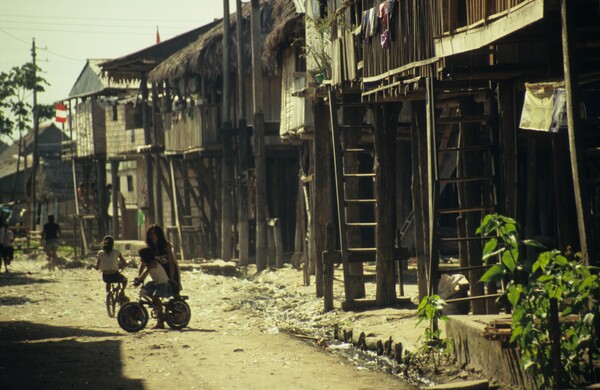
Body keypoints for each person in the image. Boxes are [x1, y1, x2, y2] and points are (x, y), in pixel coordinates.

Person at [139, 224, 182, 297]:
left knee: (175, 294)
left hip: (171, 270)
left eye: (154, 233)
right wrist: (139, 277)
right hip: (160, 272)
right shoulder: (149, 248)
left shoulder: (166, 245)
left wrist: (171, 278)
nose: (152, 235)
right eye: (150, 233)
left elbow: (171, 263)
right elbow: (143, 263)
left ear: (159, 234)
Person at [135, 247, 171, 329]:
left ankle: (161, 320)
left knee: (155, 298)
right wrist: (138, 279)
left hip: (163, 284)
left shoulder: (153, 263)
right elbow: (143, 272)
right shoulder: (149, 263)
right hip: (156, 283)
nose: (140, 258)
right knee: (146, 288)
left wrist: (140, 279)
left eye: (141, 257)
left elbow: (146, 272)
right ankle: (156, 306)